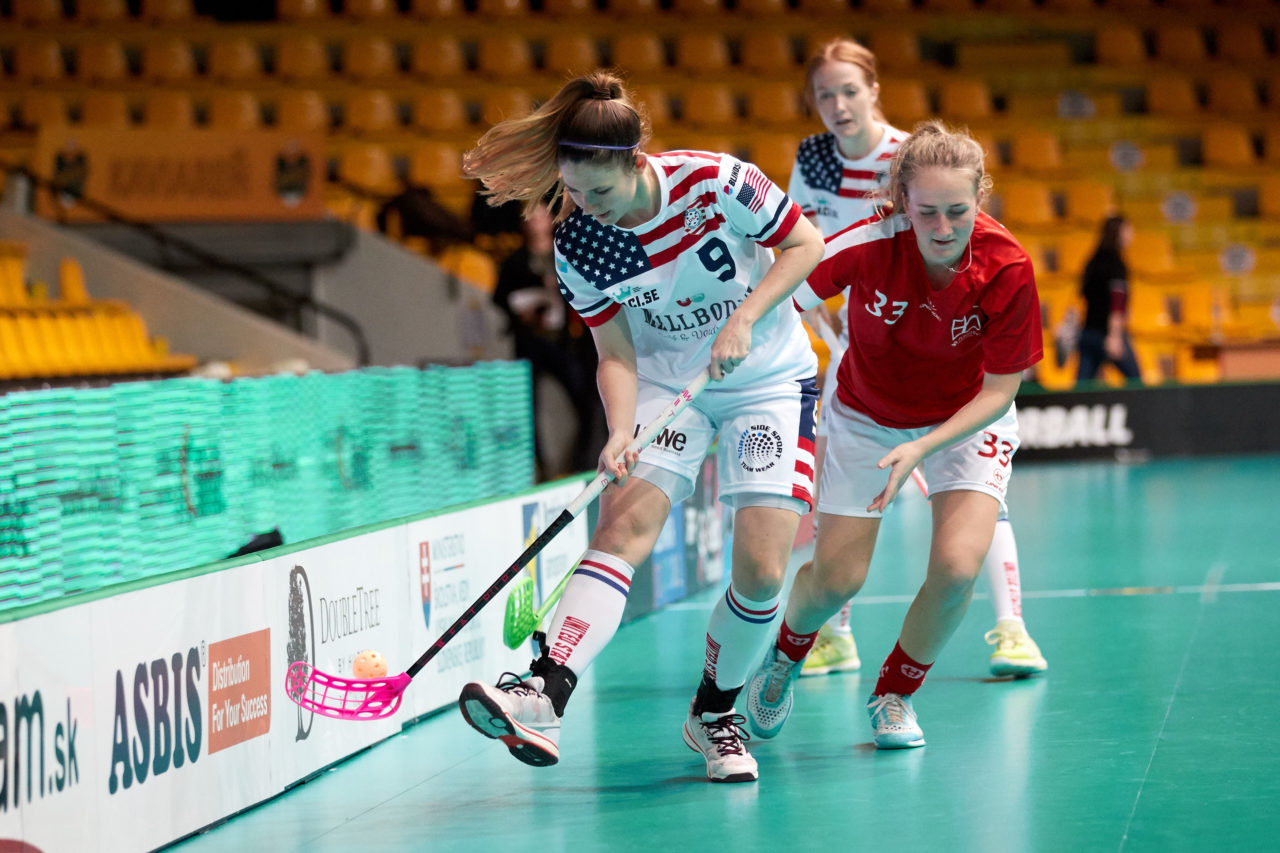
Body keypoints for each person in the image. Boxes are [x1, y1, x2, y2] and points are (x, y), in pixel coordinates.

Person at [455, 71, 825, 783]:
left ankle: (715, 712)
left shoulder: (717, 182)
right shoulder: (580, 243)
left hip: (767, 378)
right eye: (571, 191)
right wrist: (620, 429)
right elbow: (615, 350)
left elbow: (805, 245)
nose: (582, 207)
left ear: (632, 163)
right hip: (668, 385)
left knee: (761, 570)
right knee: (621, 529)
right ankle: (543, 691)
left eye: (596, 191)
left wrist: (746, 318)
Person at [745, 120, 1044, 750]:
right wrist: (741, 337)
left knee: (959, 569)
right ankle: (785, 655)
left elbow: (1001, 390)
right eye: (927, 211)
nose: (942, 228)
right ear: (901, 201)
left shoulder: (1008, 266)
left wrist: (922, 448)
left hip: (966, 419)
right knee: (836, 581)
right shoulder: (866, 242)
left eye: (958, 212)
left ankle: (895, 694)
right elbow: (777, 300)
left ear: (980, 201)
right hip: (865, 415)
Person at [785, 37, 1047, 682]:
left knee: (972, 528)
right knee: (840, 562)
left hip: (946, 371)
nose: (838, 105)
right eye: (825, 94)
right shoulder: (814, 160)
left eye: (850, 90)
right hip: (864, 333)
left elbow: (1002, 387)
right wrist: (821, 322)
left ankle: (1011, 624)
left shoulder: (922, 160)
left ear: (874, 90)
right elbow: (799, 254)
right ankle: (828, 636)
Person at [492, 204, 604, 477]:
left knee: (586, 396)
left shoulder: (563, 255)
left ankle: (585, 458)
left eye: (539, 216)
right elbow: (498, 297)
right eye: (529, 217)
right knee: (527, 406)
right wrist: (521, 313)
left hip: (561, 340)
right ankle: (538, 465)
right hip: (529, 340)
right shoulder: (514, 261)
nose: (534, 222)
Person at [1076, 214, 1141, 384]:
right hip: (1106, 334)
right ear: (1118, 233)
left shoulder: (1092, 261)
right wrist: (1115, 335)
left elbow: (1082, 295)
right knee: (1137, 382)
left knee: (1082, 387)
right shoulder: (1116, 265)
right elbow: (1117, 304)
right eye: (1128, 230)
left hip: (1088, 331)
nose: (1132, 234)